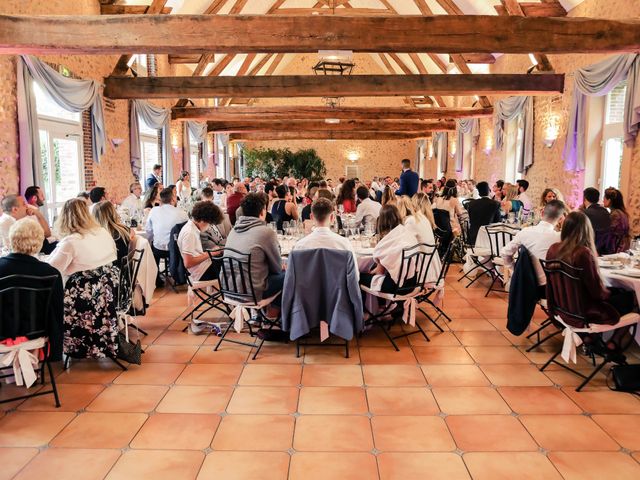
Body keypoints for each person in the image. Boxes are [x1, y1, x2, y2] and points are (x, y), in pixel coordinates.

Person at [546, 211, 636, 357]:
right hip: (583, 312)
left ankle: (591, 339)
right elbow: (597, 293)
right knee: (632, 299)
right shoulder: (582, 253)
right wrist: (610, 292)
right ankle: (613, 344)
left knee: (619, 294)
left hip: (562, 308)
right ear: (586, 230)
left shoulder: (553, 249)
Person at [0, 218, 64, 361]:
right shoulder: (51, 273)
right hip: (37, 332)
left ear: (11, 239)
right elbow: (57, 312)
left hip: (2, 332)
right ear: (39, 242)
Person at [224, 193, 285, 305]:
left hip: (229, 289)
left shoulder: (233, 231)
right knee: (290, 274)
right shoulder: (266, 232)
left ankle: (260, 316)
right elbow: (277, 268)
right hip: (252, 293)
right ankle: (273, 315)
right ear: (262, 211)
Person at [502, 200, 566, 295]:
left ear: (542, 212)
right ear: (561, 219)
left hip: (526, 284)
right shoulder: (561, 237)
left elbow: (505, 252)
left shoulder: (525, 232)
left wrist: (516, 270)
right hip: (551, 288)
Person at [47, 198, 117, 279]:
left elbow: (50, 272)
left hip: (86, 288)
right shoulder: (102, 231)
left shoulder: (71, 242)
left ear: (64, 218)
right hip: (111, 284)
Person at [359, 204, 420, 293]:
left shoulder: (388, 240)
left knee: (357, 276)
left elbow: (380, 272)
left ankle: (366, 306)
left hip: (398, 287)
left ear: (382, 220)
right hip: (412, 282)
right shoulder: (405, 233)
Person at [294, 198, 358, 277]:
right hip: (338, 289)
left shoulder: (300, 246)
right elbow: (355, 277)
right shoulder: (344, 244)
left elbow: (294, 278)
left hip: (308, 289)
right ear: (332, 218)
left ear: (311, 217)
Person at [178, 201, 224, 284]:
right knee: (233, 267)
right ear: (203, 220)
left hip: (204, 266)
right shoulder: (190, 233)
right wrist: (211, 254)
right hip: (201, 272)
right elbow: (188, 263)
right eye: (209, 223)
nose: (209, 226)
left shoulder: (192, 228)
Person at [145, 186, 189, 259]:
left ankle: (155, 269)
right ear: (173, 199)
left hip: (158, 249)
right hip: (175, 250)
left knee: (154, 244)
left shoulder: (153, 211)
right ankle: (176, 269)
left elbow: (148, 230)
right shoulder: (182, 213)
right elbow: (187, 233)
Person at [582, 187, 611, 255]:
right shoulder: (605, 211)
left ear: (584, 199)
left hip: (589, 250)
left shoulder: (585, 214)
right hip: (605, 250)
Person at [603, 187, 631, 253]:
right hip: (623, 246)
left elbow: (610, 233)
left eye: (604, 198)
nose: (603, 200)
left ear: (609, 200)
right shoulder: (622, 212)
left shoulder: (615, 214)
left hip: (617, 248)